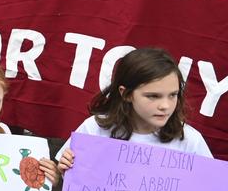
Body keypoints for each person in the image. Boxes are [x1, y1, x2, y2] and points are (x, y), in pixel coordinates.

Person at [57, 48, 213, 176]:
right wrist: (65, 168)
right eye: (153, 96)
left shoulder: (190, 140)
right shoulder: (94, 129)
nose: (165, 105)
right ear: (126, 94)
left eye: (173, 95)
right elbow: (71, 179)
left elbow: (209, 188)